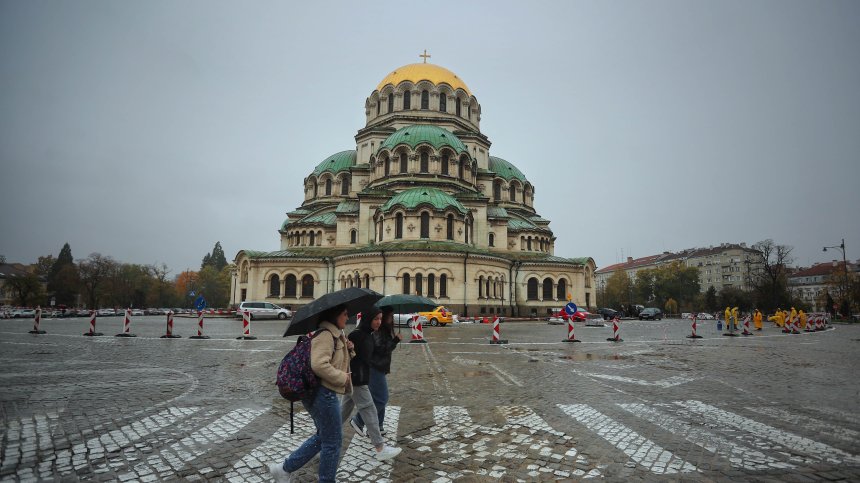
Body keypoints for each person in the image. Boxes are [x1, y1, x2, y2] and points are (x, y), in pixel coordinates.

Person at [270, 304, 354, 483]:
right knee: (333, 442)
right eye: (345, 314)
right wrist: (342, 378)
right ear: (335, 315)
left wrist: (349, 349)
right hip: (323, 394)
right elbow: (319, 364)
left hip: (322, 393)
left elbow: (335, 360)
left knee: (324, 436)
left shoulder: (336, 335)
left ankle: (283, 469)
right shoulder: (325, 335)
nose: (348, 318)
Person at [340, 307, 401, 460]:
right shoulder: (357, 334)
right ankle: (380, 448)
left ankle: (322, 434)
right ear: (368, 319)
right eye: (376, 319)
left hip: (360, 377)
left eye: (380, 318)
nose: (379, 322)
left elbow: (364, 356)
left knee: (342, 412)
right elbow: (347, 357)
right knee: (370, 409)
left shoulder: (369, 334)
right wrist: (349, 348)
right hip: (357, 378)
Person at [352, 306, 401, 435]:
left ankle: (378, 426)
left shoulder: (383, 330)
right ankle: (359, 419)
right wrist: (395, 340)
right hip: (375, 367)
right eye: (389, 316)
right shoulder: (377, 331)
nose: (391, 319)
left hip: (380, 367)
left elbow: (385, 349)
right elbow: (381, 350)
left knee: (377, 397)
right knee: (381, 398)